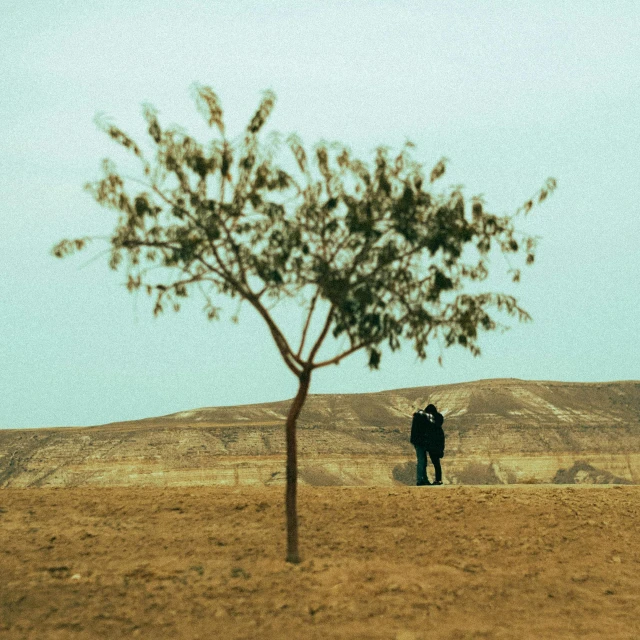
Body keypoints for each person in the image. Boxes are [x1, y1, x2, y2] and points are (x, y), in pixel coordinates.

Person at [410, 403, 445, 486]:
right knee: (424, 461)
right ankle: (423, 480)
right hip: (426, 443)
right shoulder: (434, 425)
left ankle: (423, 480)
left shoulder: (421, 418)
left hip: (423, 443)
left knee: (422, 461)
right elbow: (441, 439)